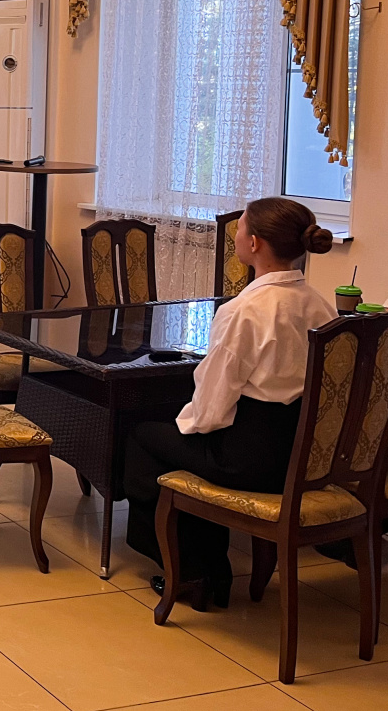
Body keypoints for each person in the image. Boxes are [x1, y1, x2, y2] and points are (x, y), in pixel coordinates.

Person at [122, 197, 335, 607]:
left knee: (143, 438)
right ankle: (205, 568)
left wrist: (184, 426)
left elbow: (211, 409)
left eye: (240, 230)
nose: (236, 237)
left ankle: (193, 572)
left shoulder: (244, 310)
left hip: (250, 460)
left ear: (254, 243)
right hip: (302, 457)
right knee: (180, 438)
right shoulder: (320, 306)